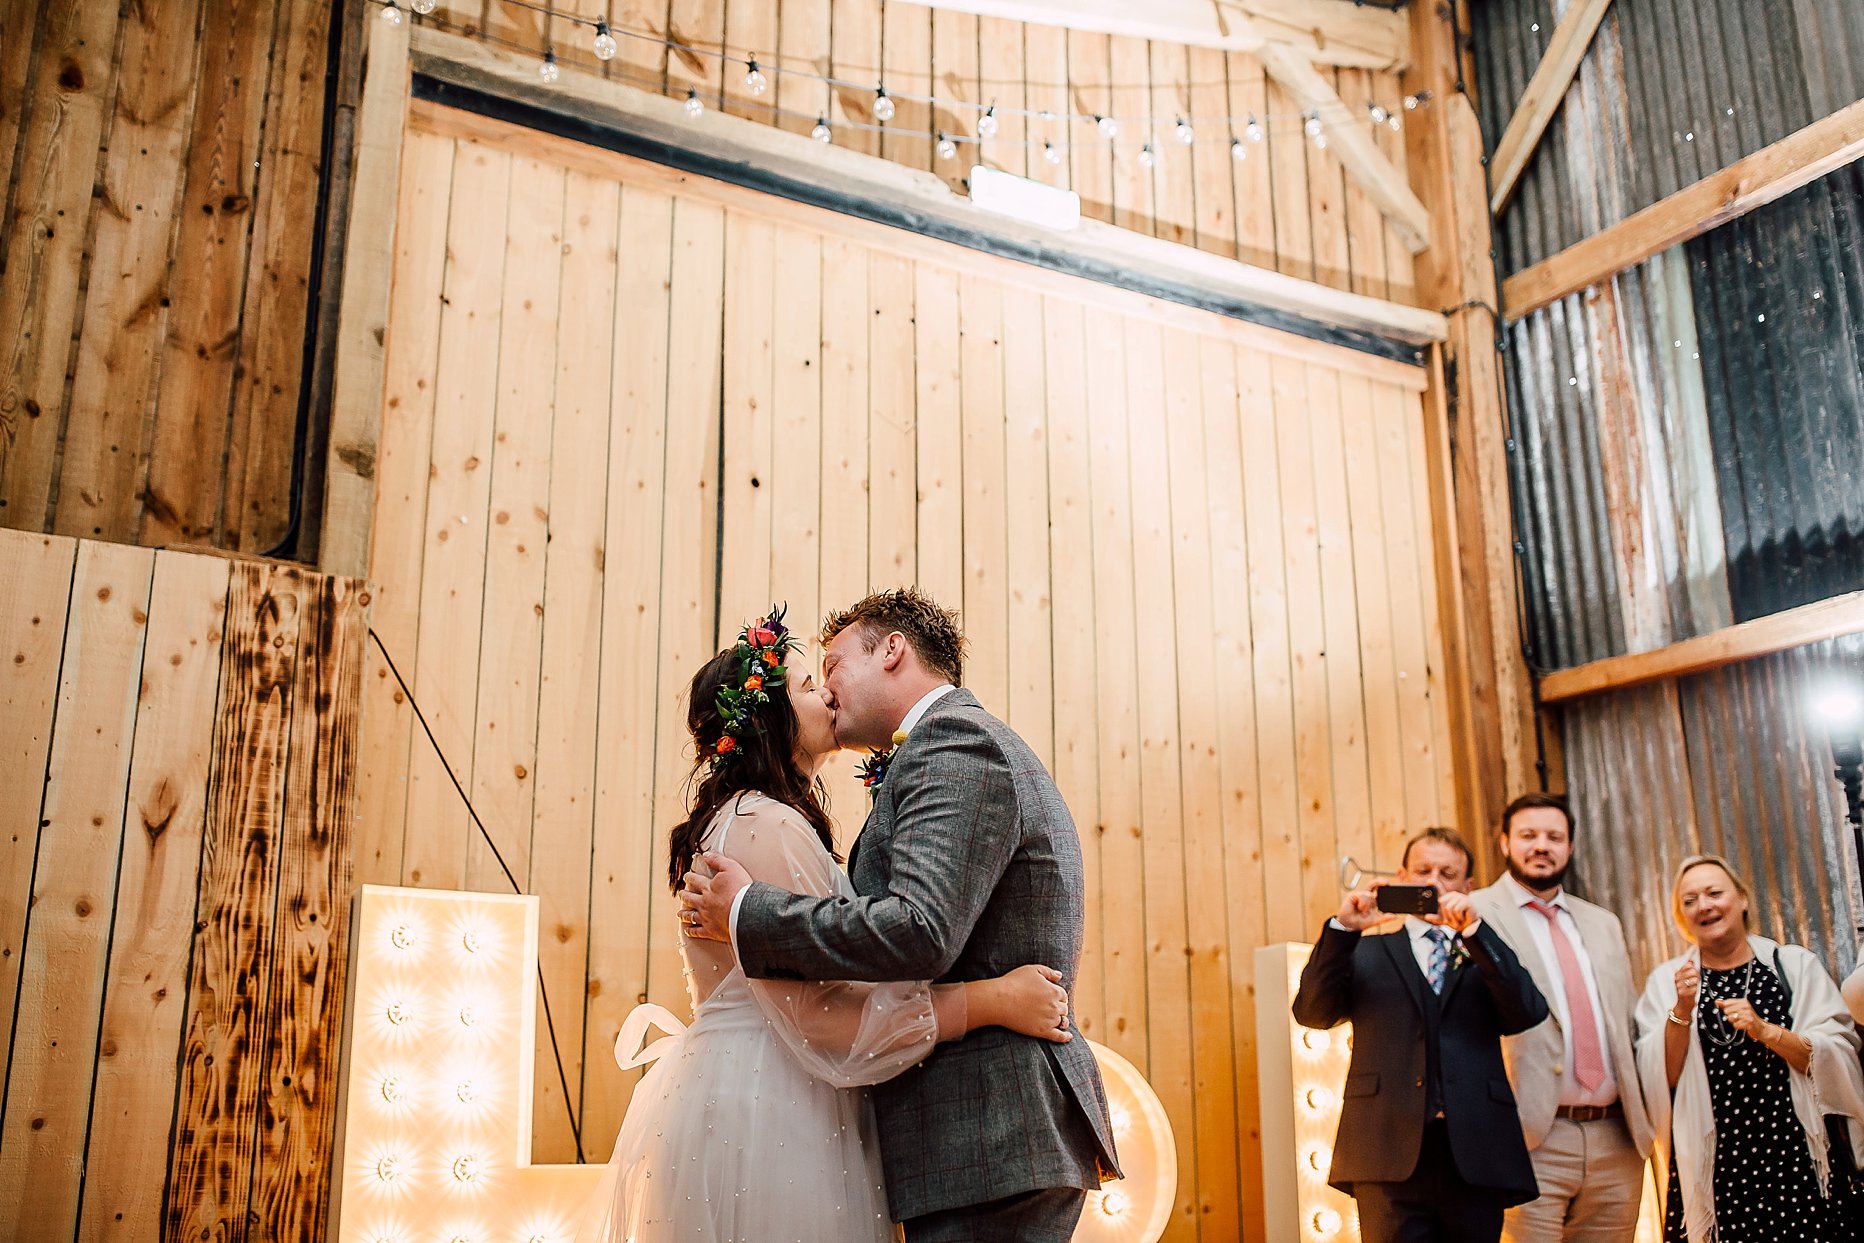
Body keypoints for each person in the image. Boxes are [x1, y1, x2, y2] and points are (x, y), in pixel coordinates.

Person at [577, 606, 1080, 1243]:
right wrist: (988, 1000)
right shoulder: (764, 823)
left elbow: (917, 929)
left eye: (831, 669)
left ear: (892, 651)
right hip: (779, 1110)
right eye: (810, 683)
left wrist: (745, 910)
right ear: (769, 716)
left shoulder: (952, 744)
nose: (828, 690)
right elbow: (826, 1012)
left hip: (983, 1133)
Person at [1294, 826, 1549, 1243]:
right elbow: (1312, 1013)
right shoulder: (1366, 951)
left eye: (1447, 874)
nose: (1433, 883)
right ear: (1401, 877)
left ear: (1467, 886)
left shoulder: (1483, 950)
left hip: (1476, 1151)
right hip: (1384, 1149)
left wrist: (1475, 931)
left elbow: (1527, 1012)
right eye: (1422, 871)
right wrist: (1344, 929)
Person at [1633, 854, 1864, 1242]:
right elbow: (1661, 1078)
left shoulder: (1792, 966)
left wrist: (1765, 1031)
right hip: (1716, 1167)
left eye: (1714, 893)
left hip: (1795, 1156)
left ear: (1741, 898)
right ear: (1681, 917)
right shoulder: (1666, 983)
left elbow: (1835, 1055)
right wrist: (1682, 1010)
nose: (1704, 905)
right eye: (1690, 900)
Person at [1471, 794, 1653, 1242]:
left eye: (1554, 837)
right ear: (1504, 843)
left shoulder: (1603, 922)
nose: (1541, 845)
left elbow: (1628, 1022)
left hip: (1616, 1136)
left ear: (1569, 847)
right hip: (1528, 1137)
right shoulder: (1473, 914)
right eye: (1528, 835)